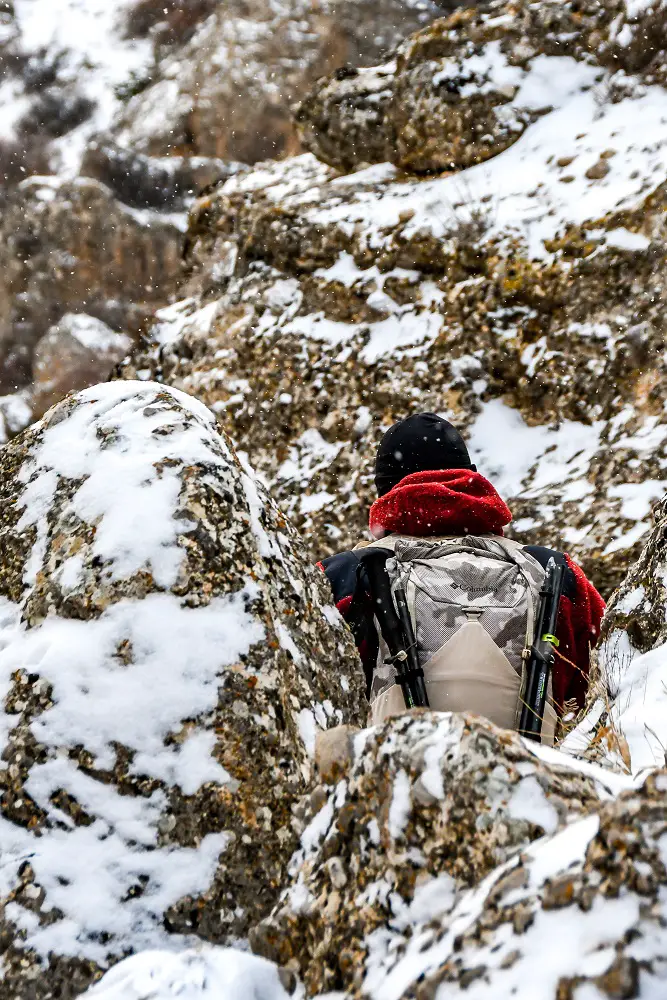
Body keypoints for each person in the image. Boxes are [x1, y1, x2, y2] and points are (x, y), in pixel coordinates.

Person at [318, 412, 605, 742]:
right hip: (534, 788)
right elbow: (606, 688)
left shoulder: (344, 577)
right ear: (470, 479)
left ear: (385, 490)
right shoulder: (556, 573)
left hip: (393, 787)